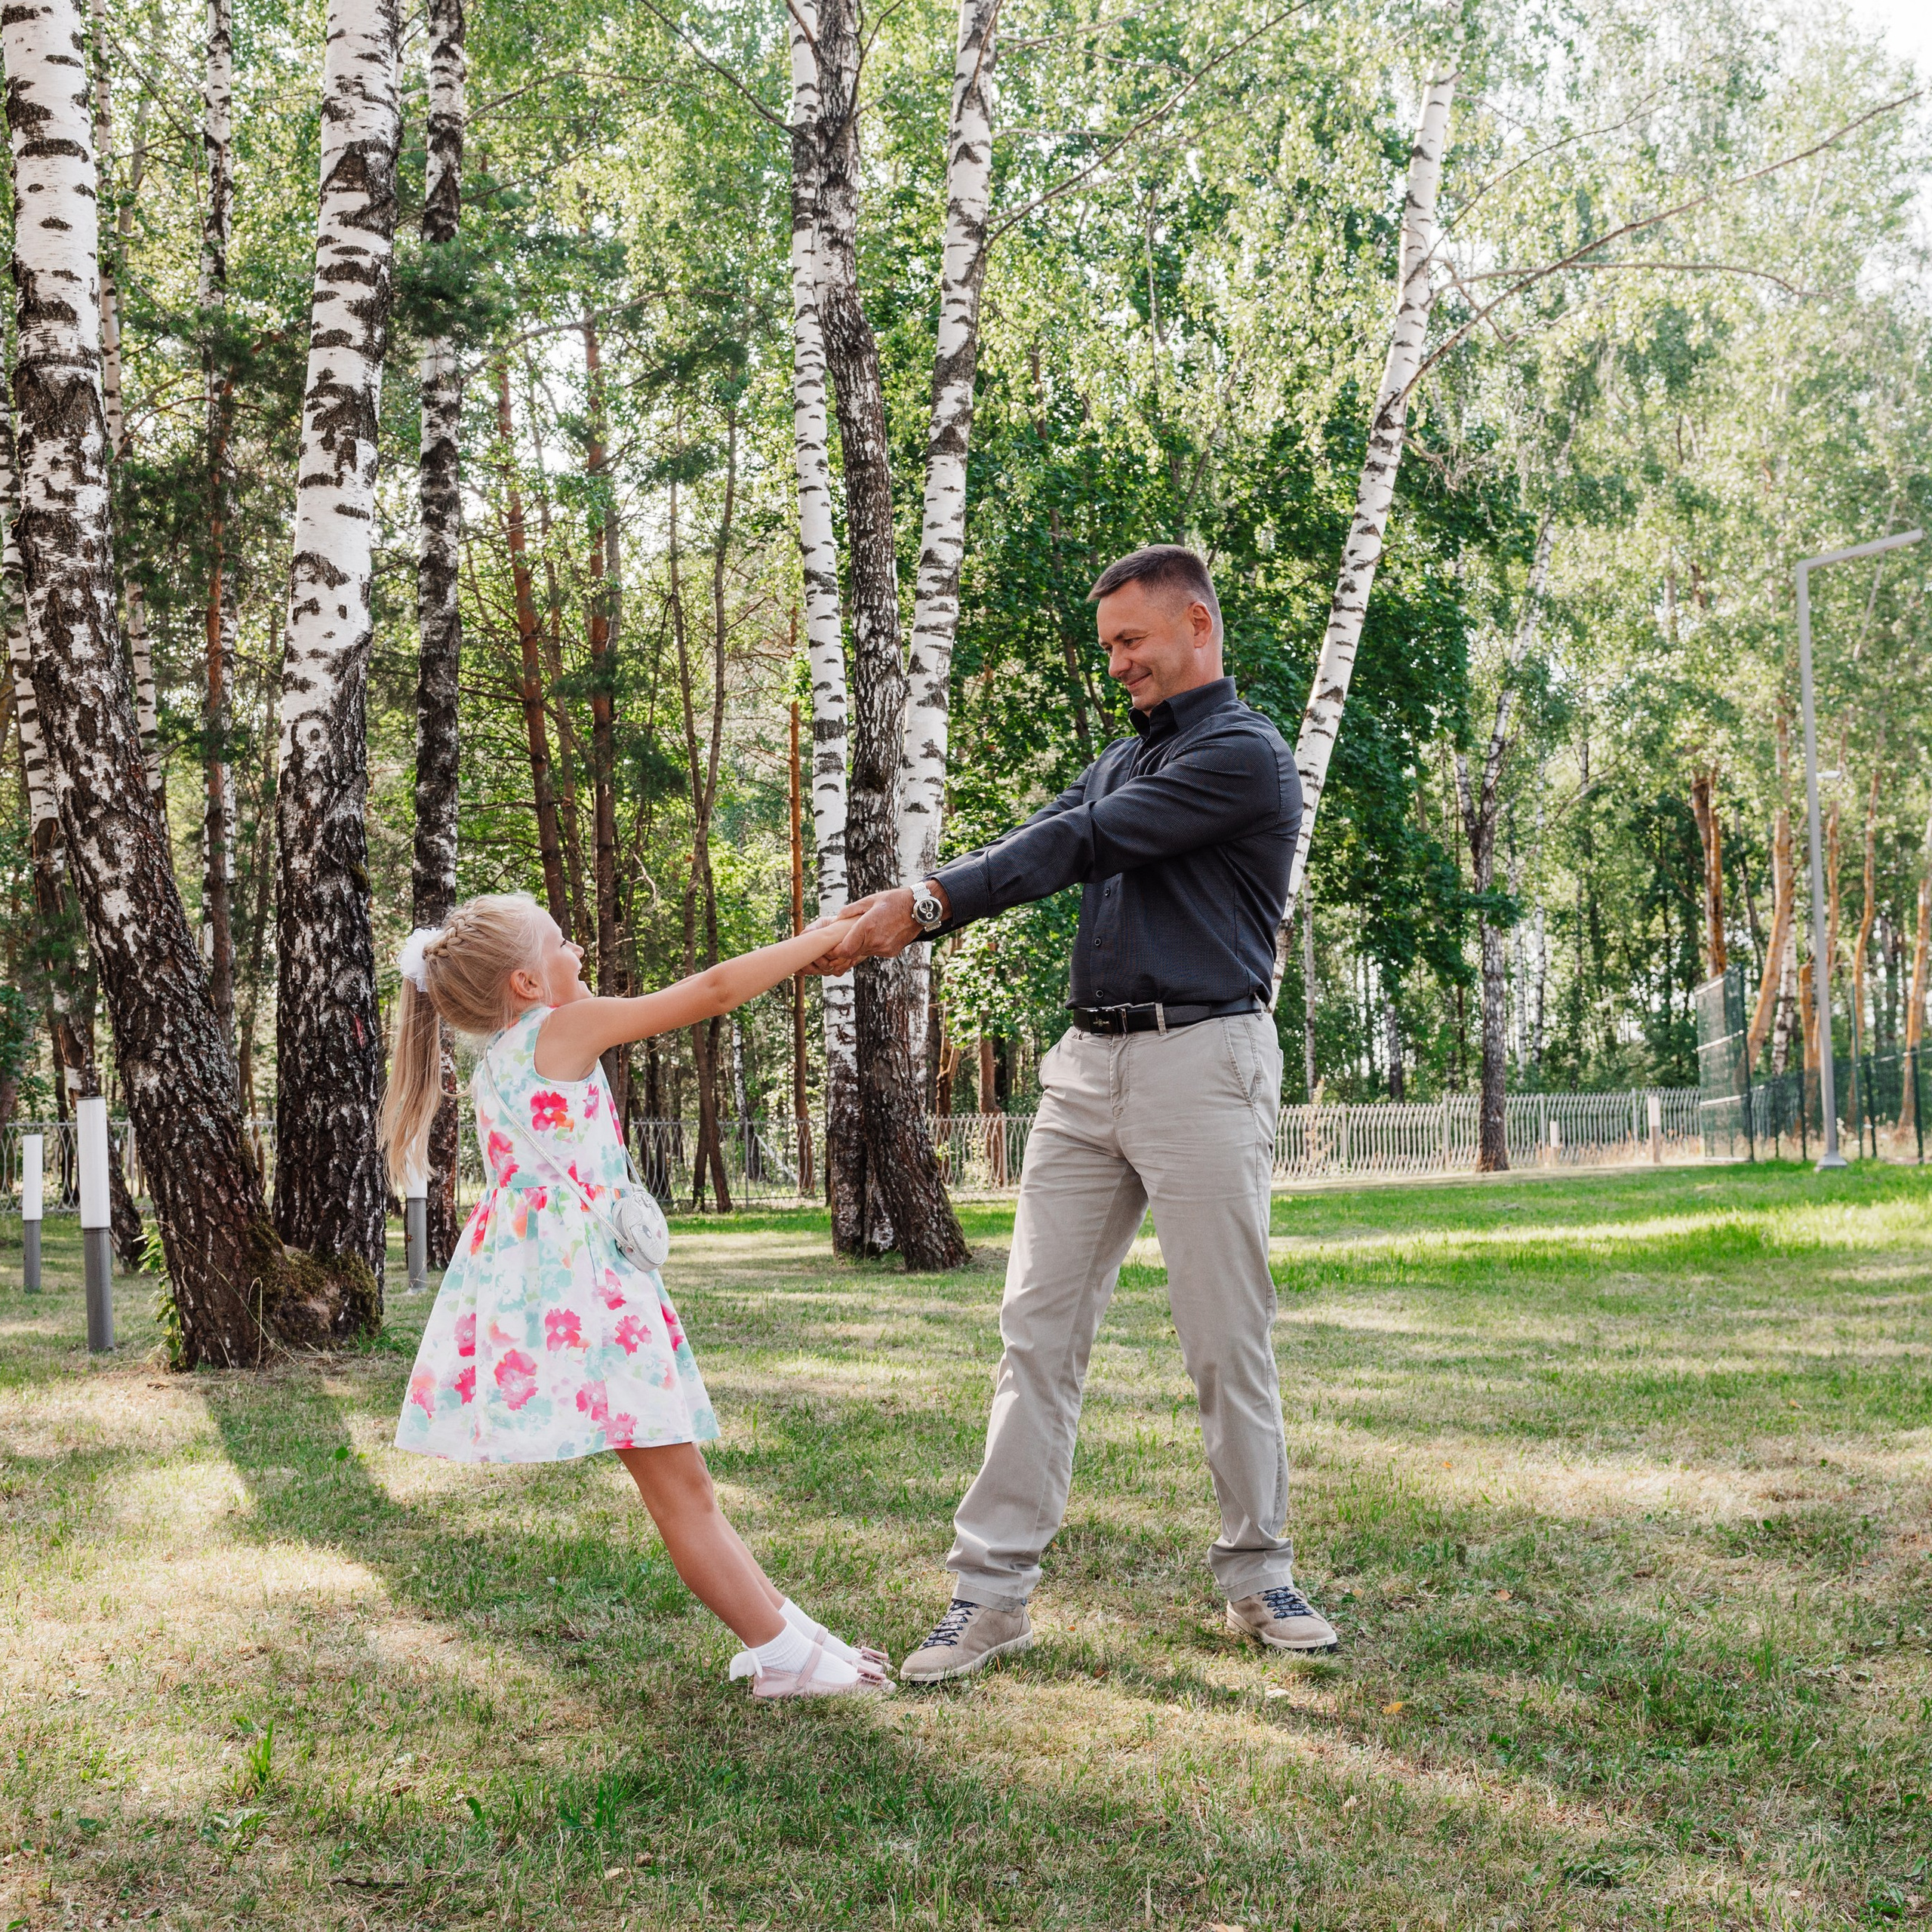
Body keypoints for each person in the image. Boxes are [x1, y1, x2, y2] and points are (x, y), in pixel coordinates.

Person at [820, 544, 1338, 1681]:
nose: (1119, 665)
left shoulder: (1246, 758)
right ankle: (989, 1597)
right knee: (1034, 1334)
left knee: (1222, 1338)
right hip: (1085, 1068)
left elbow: (1079, 845)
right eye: (1110, 646)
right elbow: (1036, 838)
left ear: (1196, 626)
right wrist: (909, 894)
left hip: (1203, 1058)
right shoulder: (1121, 762)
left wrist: (929, 904)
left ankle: (1260, 1576)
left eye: (1131, 642)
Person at [381, 891, 892, 1700]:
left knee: (682, 1488)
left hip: (572, 1295)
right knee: (682, 1494)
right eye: (559, 944)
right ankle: (781, 1653)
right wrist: (814, 941)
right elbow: (714, 991)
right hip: (595, 1300)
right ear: (526, 983)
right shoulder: (561, 1029)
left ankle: (786, 1635)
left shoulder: (502, 1058)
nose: (576, 950)